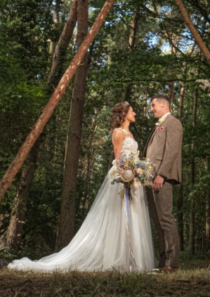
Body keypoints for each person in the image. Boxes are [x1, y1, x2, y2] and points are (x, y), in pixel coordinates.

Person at [8, 102, 155, 273]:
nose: (135, 113)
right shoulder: (118, 132)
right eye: (132, 111)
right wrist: (126, 174)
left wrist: (139, 169)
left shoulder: (130, 132)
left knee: (132, 215)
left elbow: (133, 156)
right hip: (122, 176)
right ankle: (118, 259)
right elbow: (118, 157)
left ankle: (132, 259)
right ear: (124, 114)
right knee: (118, 216)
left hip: (134, 177)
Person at [143, 94, 183, 273]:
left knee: (166, 218)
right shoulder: (160, 125)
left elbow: (172, 150)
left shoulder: (173, 123)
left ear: (163, 105)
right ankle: (163, 262)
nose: (151, 109)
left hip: (161, 178)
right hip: (150, 177)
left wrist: (161, 174)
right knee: (158, 222)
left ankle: (172, 262)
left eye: (153, 105)